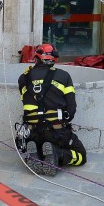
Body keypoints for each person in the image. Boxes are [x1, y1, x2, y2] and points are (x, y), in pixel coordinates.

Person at [16, 43, 86, 174]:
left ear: (36, 57)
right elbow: (71, 109)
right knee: (81, 156)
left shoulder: (23, 78)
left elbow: (25, 102)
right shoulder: (63, 76)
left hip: (32, 131)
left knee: (38, 148)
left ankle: (36, 153)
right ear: (54, 59)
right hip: (56, 131)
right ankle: (57, 153)